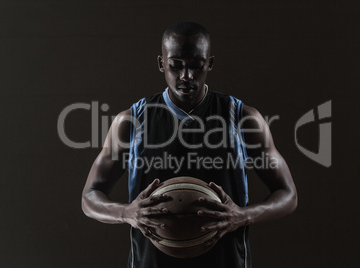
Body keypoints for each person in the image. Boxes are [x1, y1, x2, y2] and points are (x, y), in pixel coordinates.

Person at [82, 21, 297, 268]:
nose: (186, 76)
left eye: (196, 65)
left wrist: (242, 216)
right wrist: (126, 213)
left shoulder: (243, 118)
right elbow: (89, 195)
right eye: (176, 65)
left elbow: (288, 194)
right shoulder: (131, 120)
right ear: (161, 63)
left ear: (210, 63)